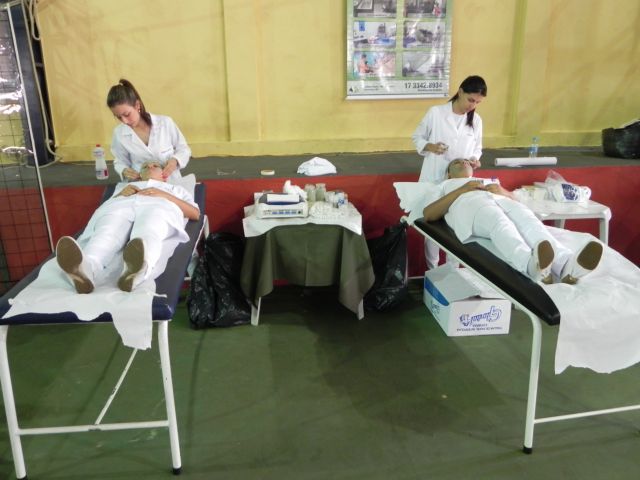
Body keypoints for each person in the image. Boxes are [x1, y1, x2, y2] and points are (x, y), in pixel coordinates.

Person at [422, 159, 603, 283]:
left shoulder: (487, 181)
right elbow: (429, 214)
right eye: (457, 162)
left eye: (466, 161)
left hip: (502, 201)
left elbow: (517, 200)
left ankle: (568, 266)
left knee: (529, 221)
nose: (463, 162)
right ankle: (531, 266)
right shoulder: (444, 186)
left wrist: (504, 192)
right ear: (449, 174)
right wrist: (462, 189)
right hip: (473, 208)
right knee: (500, 223)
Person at [56, 162, 200, 293]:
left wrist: (165, 195)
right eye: (145, 167)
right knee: (107, 232)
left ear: (164, 175)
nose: (149, 167)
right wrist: (120, 195)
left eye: (155, 166)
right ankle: (85, 269)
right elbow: (106, 206)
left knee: (149, 229)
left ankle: (136, 272)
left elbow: (195, 213)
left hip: (159, 207)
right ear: (139, 175)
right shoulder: (124, 187)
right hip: (121, 206)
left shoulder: (176, 189)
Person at [412, 75, 487, 269]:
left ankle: (454, 271)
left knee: (457, 225)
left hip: (460, 182)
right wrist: (430, 146)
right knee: (433, 227)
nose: (473, 105)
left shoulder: (476, 120)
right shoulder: (436, 113)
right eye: (470, 99)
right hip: (435, 177)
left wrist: (474, 159)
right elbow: (417, 137)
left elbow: (477, 147)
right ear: (460, 91)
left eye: (477, 102)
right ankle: (433, 271)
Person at [107, 79, 191, 182]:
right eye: (119, 117)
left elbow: (183, 149)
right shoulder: (119, 133)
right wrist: (124, 170)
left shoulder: (165, 123)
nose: (124, 121)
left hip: (171, 182)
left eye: (127, 114)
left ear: (137, 105)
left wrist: (175, 160)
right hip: (140, 184)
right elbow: (120, 161)